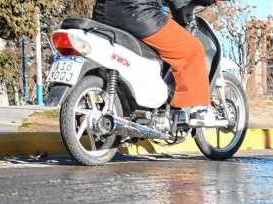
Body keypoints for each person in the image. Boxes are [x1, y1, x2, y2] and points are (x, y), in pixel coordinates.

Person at [92, 0, 220, 126]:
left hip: (103, 12)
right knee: (193, 49)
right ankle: (198, 109)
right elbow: (178, 3)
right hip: (139, 14)